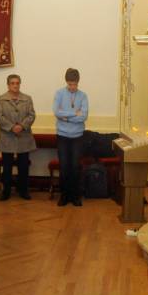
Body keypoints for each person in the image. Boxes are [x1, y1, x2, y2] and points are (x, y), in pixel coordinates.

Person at [0, 74, 36, 201]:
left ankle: (23, 190)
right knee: (7, 167)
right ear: (8, 85)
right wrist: (12, 127)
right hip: (7, 137)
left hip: (24, 136)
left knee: (23, 166)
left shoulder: (27, 99)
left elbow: (31, 115)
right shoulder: (1, 99)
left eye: (17, 83)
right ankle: (6, 191)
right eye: (12, 83)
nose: (15, 85)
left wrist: (21, 126)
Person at [53, 68, 88, 207]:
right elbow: (56, 112)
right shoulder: (59, 93)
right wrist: (75, 114)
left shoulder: (83, 96)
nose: (72, 87)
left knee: (75, 166)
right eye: (70, 84)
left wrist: (66, 117)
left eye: (75, 84)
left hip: (77, 136)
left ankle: (75, 196)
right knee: (64, 166)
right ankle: (64, 196)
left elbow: (83, 116)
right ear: (66, 82)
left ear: (78, 82)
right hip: (62, 136)